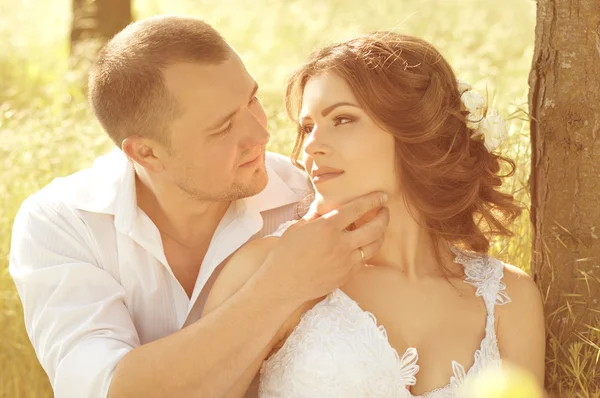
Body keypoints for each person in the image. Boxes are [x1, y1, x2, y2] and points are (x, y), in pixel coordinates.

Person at [8, 16, 390, 398]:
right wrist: (280, 286)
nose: (261, 133)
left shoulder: (309, 194)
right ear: (146, 152)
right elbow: (106, 390)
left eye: (252, 99)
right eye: (223, 128)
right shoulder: (61, 223)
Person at [202, 32, 546, 397]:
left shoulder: (509, 300)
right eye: (307, 128)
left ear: (413, 130)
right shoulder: (266, 269)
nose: (312, 147)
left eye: (343, 120)